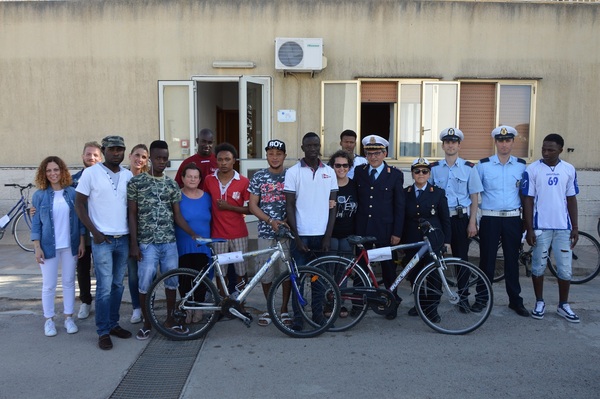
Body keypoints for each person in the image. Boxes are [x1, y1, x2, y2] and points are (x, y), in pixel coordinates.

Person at [128, 140, 199, 340]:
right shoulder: (136, 183)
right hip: (146, 243)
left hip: (169, 243)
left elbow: (177, 215)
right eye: (157, 157)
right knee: (145, 283)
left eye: (165, 158)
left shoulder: (171, 185)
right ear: (150, 158)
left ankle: (170, 319)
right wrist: (133, 243)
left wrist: (193, 233)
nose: (161, 161)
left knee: (172, 282)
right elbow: (132, 214)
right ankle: (147, 322)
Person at [75, 135, 133, 350]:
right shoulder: (91, 173)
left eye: (120, 149)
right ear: (104, 150)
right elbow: (79, 205)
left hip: (123, 238)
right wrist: (95, 233)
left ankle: (113, 323)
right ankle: (103, 331)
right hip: (102, 240)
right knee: (104, 287)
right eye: (112, 149)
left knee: (118, 285)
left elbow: (131, 209)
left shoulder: (128, 175)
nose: (116, 152)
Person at [522, 133, 580, 323]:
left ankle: (563, 305)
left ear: (560, 150)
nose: (546, 152)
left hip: (563, 228)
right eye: (543, 148)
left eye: (551, 150)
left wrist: (575, 227)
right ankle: (540, 302)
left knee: (565, 269)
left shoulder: (569, 169)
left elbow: (571, 198)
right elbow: (528, 200)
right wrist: (529, 228)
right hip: (540, 228)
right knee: (538, 266)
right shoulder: (532, 169)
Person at [284, 132, 338, 329]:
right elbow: (289, 206)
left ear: (320, 146)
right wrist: (296, 237)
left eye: (316, 145)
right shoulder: (293, 172)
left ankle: (318, 317)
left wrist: (327, 236)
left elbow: (333, 207)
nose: (313, 149)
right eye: (309, 145)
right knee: (298, 280)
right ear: (302, 148)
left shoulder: (330, 172)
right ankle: (298, 319)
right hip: (301, 237)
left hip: (321, 237)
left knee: (319, 281)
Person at [475, 126, 528, 317]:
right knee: (486, 261)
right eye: (500, 140)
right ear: (495, 142)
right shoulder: (483, 165)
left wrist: (526, 223)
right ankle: (482, 298)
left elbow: (526, 196)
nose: (504, 144)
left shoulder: (522, 166)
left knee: (512, 262)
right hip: (490, 218)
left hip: (513, 219)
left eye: (508, 140)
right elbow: (475, 193)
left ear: (513, 142)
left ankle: (515, 301)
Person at [429, 128, 483, 313]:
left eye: (454, 142)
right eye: (447, 142)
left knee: (462, 259)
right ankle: (432, 300)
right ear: (443, 145)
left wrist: (472, 222)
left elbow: (474, 197)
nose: (450, 145)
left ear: (459, 145)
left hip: (460, 218)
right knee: (435, 259)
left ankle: (463, 298)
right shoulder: (434, 168)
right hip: (439, 220)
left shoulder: (469, 168)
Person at [31, 156, 85, 336]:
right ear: (44, 174)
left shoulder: (72, 193)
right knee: (49, 285)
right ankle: (49, 320)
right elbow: (36, 223)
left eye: (56, 169)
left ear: (62, 171)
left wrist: (82, 242)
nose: (52, 173)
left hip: (70, 245)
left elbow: (80, 220)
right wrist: (37, 246)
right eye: (48, 171)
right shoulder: (39, 195)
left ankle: (69, 318)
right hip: (47, 246)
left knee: (69, 282)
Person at [353, 134, 405, 319]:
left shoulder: (395, 175)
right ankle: (359, 303)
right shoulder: (359, 172)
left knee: (388, 268)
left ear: (385, 154)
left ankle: (391, 303)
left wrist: (397, 232)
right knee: (361, 266)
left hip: (384, 231)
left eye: (377, 153)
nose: (373, 157)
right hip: (363, 229)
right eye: (369, 153)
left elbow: (399, 207)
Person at [248, 139, 292, 327]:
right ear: (266, 155)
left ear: (284, 156)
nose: (274, 157)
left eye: (278, 154)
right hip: (266, 232)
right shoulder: (259, 176)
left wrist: (287, 222)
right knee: (265, 273)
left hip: (287, 233)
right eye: (271, 153)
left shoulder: (291, 175)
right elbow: (252, 205)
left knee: (286, 272)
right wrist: (270, 221)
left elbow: (298, 202)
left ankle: (284, 309)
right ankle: (269, 308)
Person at [402, 158, 451, 322]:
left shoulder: (437, 193)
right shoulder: (406, 192)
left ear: (429, 174)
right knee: (414, 275)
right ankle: (419, 304)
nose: (421, 174)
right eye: (417, 171)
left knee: (434, 276)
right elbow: (402, 218)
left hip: (432, 240)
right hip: (412, 239)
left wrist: (447, 241)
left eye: (424, 171)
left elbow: (445, 219)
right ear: (412, 174)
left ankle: (432, 309)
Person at [203, 142, 251, 297]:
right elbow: (204, 203)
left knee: (241, 271)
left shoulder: (243, 181)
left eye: (227, 159)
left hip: (239, 234)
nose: (223, 163)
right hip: (218, 235)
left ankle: (240, 302)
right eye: (220, 159)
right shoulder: (209, 180)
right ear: (216, 161)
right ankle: (223, 302)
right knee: (220, 272)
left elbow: (250, 209)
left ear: (234, 160)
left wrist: (229, 207)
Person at [175, 162, 212, 324]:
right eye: (189, 176)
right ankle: (187, 307)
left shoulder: (207, 197)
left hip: (202, 245)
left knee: (200, 279)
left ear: (199, 179)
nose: (192, 179)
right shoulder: (177, 196)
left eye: (195, 177)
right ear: (182, 178)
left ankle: (199, 308)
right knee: (184, 279)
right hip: (183, 244)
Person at [71, 141, 102, 320]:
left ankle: (101, 302)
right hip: (81, 234)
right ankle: (85, 301)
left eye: (95, 155)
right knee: (82, 268)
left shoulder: (105, 178)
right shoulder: (73, 180)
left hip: (101, 231)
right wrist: (34, 208)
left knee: (101, 269)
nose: (91, 158)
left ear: (100, 158)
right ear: (82, 156)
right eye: (88, 154)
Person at [125, 144, 149, 324]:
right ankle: (136, 308)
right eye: (137, 155)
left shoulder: (149, 179)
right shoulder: (122, 177)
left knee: (148, 273)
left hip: (147, 233)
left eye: (143, 157)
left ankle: (148, 304)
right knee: (133, 273)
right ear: (130, 156)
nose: (139, 159)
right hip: (126, 232)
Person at [327, 150, 358, 256]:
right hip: (331, 234)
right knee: (329, 269)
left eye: (345, 165)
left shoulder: (355, 186)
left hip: (348, 235)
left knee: (344, 269)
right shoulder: (326, 186)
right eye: (338, 165)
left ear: (349, 167)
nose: (341, 169)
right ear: (332, 166)